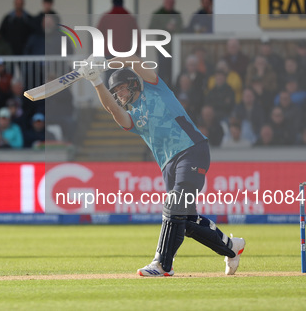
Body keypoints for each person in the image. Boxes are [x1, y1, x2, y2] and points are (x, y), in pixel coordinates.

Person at [79, 54, 245, 277]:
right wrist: (96, 81)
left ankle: (162, 264)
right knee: (184, 221)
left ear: (133, 83)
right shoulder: (131, 117)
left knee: (173, 204)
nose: (119, 95)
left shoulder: (156, 88)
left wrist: (106, 62)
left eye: (121, 89)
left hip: (191, 150)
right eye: (115, 92)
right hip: (167, 164)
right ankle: (231, 247)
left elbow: (134, 60)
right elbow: (112, 109)